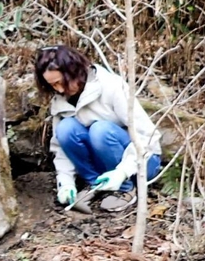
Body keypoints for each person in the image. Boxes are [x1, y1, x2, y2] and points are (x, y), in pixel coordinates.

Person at [34, 44, 162, 212]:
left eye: (60, 82)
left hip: (141, 163)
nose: (59, 89)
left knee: (100, 130)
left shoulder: (111, 86)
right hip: (105, 165)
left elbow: (148, 136)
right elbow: (61, 147)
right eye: (53, 85)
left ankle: (125, 189)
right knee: (65, 128)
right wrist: (65, 183)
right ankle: (95, 184)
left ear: (74, 71)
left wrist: (122, 172)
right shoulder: (60, 101)